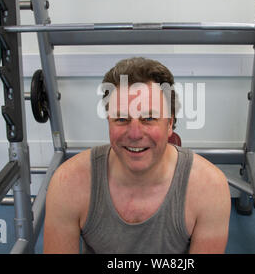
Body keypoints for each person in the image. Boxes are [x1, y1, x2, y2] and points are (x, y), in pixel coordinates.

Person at [43, 57, 231, 254]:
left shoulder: (210, 188)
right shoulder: (68, 183)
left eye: (149, 118)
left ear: (169, 124)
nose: (134, 134)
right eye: (122, 119)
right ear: (109, 122)